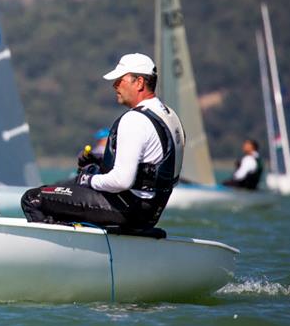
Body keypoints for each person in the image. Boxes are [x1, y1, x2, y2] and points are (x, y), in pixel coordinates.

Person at [21, 53, 185, 232]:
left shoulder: (135, 120)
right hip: (150, 213)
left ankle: (56, 253)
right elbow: (156, 171)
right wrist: (99, 163)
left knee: (33, 198)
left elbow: (122, 181)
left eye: (120, 80)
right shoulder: (170, 116)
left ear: (139, 82)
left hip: (127, 209)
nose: (115, 85)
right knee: (64, 193)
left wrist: (88, 179)